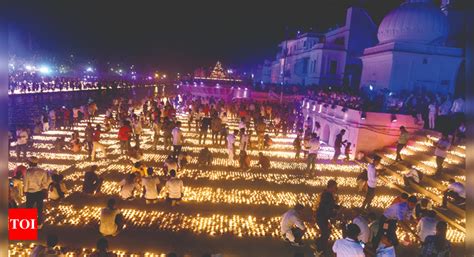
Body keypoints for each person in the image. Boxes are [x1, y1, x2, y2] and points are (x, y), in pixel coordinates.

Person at [314, 179, 340, 256]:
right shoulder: (327, 196)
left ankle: (318, 244)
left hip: (321, 216)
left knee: (325, 232)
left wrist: (337, 207)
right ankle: (319, 250)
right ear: (331, 187)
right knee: (326, 234)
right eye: (335, 187)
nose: (336, 189)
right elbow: (327, 210)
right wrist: (334, 215)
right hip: (321, 217)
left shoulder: (327, 194)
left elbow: (329, 205)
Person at [24, 157, 50, 229]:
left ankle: (28, 224)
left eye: (29, 162)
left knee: (29, 208)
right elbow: (45, 183)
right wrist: (44, 189)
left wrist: (25, 191)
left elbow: (26, 183)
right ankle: (39, 224)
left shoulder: (27, 171)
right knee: (39, 208)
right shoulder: (42, 171)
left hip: (30, 192)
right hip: (39, 192)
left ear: (31, 163)